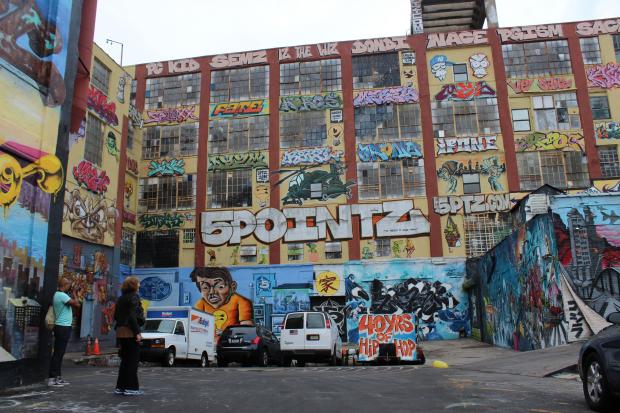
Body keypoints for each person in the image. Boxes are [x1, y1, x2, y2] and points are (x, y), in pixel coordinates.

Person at [191, 267, 253, 336]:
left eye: (220, 287)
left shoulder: (241, 302)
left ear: (232, 287)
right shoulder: (200, 305)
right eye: (205, 288)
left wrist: (226, 333)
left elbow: (247, 330)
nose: (212, 292)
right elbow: (196, 331)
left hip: (231, 343)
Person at [114, 276, 145, 396]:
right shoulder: (134, 297)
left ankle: (120, 387)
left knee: (125, 361)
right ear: (133, 285)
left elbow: (116, 316)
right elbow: (132, 316)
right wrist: (137, 332)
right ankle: (131, 388)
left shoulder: (121, 298)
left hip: (121, 331)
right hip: (130, 331)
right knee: (133, 360)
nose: (139, 286)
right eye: (138, 283)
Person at [48, 277, 80, 387]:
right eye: (69, 285)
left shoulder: (58, 295)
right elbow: (77, 304)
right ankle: (52, 378)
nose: (69, 287)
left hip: (61, 327)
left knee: (59, 353)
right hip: (63, 327)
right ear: (65, 285)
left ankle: (58, 377)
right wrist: (75, 293)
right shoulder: (62, 295)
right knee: (58, 353)